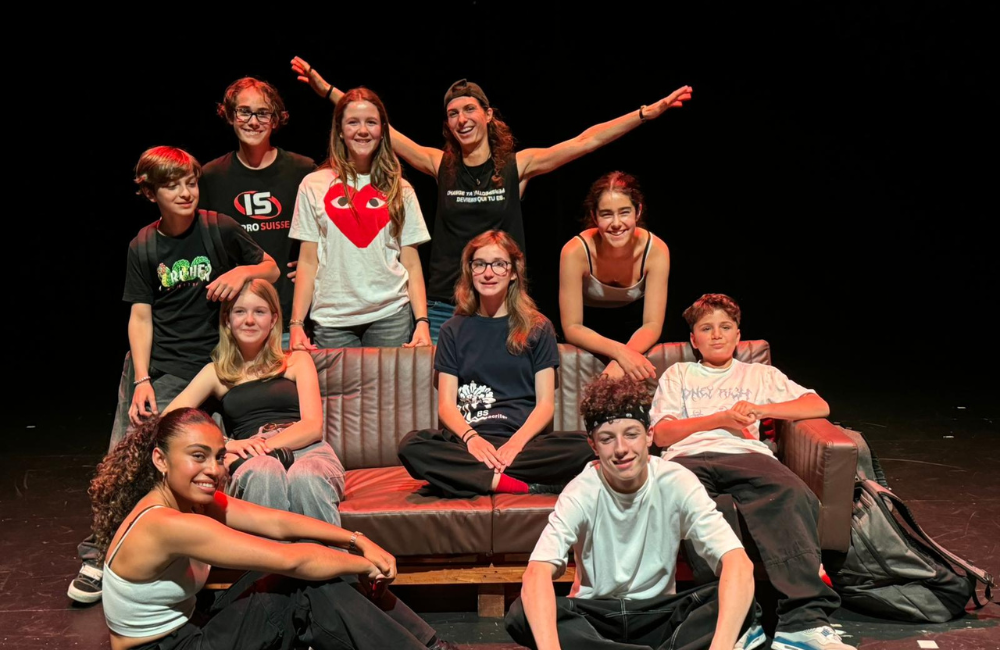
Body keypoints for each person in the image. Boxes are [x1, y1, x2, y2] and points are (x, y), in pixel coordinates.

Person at [291, 56, 691, 341]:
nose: (462, 119)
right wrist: (328, 91)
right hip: (446, 304)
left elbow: (586, 141)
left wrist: (644, 113)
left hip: (504, 301)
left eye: (469, 109)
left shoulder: (518, 166)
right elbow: (379, 125)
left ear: (487, 114)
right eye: (453, 113)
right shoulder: (439, 164)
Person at [69, 146, 279, 604]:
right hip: (166, 368)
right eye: (172, 186)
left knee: (216, 458)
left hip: (222, 366)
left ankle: (210, 551)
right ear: (151, 193)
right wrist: (142, 378)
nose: (185, 193)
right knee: (132, 458)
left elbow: (271, 267)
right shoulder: (144, 245)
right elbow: (140, 315)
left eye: (190, 182)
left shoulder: (218, 227)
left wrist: (243, 271)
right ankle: (101, 552)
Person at [91, 408, 457, 650]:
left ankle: (430, 644)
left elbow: (277, 522)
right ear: (160, 459)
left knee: (313, 565)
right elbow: (293, 560)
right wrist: (365, 563)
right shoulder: (166, 524)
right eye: (197, 456)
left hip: (187, 630)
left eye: (219, 457)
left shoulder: (187, 502)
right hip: (168, 647)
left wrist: (356, 540)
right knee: (303, 582)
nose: (214, 470)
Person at [649, 293, 854, 650]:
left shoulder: (760, 374)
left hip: (746, 454)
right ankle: (738, 624)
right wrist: (720, 418)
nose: (717, 335)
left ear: (738, 335)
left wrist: (761, 409)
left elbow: (817, 405)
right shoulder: (679, 374)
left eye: (725, 327)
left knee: (792, 494)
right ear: (694, 339)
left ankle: (803, 624)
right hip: (687, 457)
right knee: (703, 508)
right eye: (706, 329)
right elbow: (662, 434)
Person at [505, 375, 760, 650]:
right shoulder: (580, 491)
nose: (621, 449)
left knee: (740, 601)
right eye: (607, 439)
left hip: (659, 614)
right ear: (593, 445)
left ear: (649, 435)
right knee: (522, 614)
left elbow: (737, 563)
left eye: (631, 434)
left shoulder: (677, 481)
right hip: (598, 615)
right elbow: (537, 573)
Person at [398, 230, 594, 497]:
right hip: (469, 443)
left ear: (513, 272)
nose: (488, 273)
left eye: (499, 264)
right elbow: (446, 405)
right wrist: (472, 440)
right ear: (470, 271)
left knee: (588, 445)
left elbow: (545, 404)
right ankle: (518, 485)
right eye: (480, 264)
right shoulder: (452, 330)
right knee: (412, 445)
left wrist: (515, 444)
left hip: (523, 444)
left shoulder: (538, 327)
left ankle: (470, 478)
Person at [165, 279, 345, 525]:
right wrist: (227, 445)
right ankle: (268, 552)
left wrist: (262, 446)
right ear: (227, 320)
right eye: (240, 312)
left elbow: (312, 427)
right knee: (263, 471)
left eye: (259, 312)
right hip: (253, 457)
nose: (249, 320)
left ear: (273, 320)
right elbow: (170, 421)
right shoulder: (216, 373)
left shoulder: (296, 361)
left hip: (306, 449)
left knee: (306, 475)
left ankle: (329, 551)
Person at [288, 87, 431, 349]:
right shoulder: (313, 185)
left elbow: (411, 263)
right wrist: (296, 324)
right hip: (332, 319)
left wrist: (422, 321)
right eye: (353, 122)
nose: (362, 130)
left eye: (371, 122)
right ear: (340, 131)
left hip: (390, 315)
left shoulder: (401, 189)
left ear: (382, 131)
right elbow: (308, 261)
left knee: (389, 380)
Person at [200, 77, 317, 341]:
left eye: (263, 113)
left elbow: (330, 232)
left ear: (276, 120)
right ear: (230, 116)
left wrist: (318, 265)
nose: (253, 121)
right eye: (244, 112)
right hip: (235, 323)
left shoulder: (303, 171)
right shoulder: (211, 176)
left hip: (291, 321)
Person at [559, 171, 670, 381]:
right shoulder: (575, 252)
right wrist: (620, 354)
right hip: (588, 342)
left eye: (624, 212)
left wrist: (625, 357)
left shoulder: (656, 251)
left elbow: (652, 323)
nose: (616, 223)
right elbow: (572, 326)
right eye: (606, 214)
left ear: (638, 211)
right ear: (594, 217)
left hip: (637, 340)